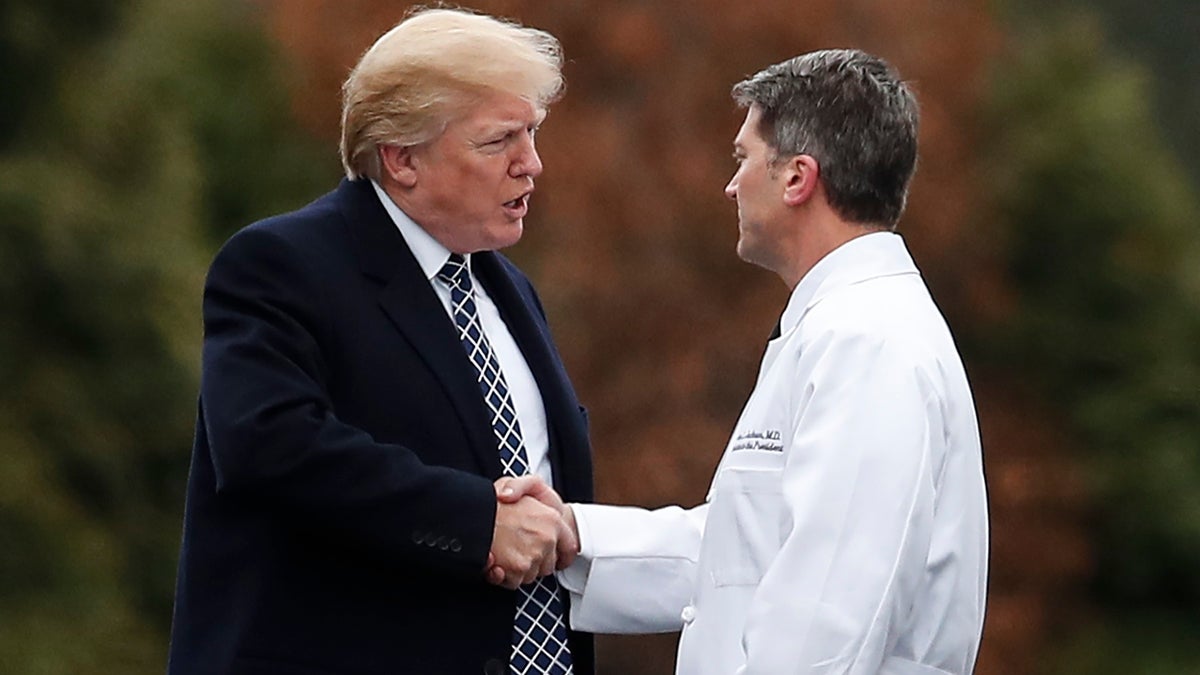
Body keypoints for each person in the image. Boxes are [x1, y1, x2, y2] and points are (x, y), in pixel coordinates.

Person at [497, 49, 989, 674]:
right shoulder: (846, 329)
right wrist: (576, 538)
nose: (731, 183)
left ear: (797, 178)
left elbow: (827, 619)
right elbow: (747, 556)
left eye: (744, 157)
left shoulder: (868, 342)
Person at [166, 8, 594, 675]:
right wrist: (475, 518)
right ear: (401, 159)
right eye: (499, 140)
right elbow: (269, 444)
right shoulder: (281, 265)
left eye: (532, 133)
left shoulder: (511, 290)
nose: (531, 164)